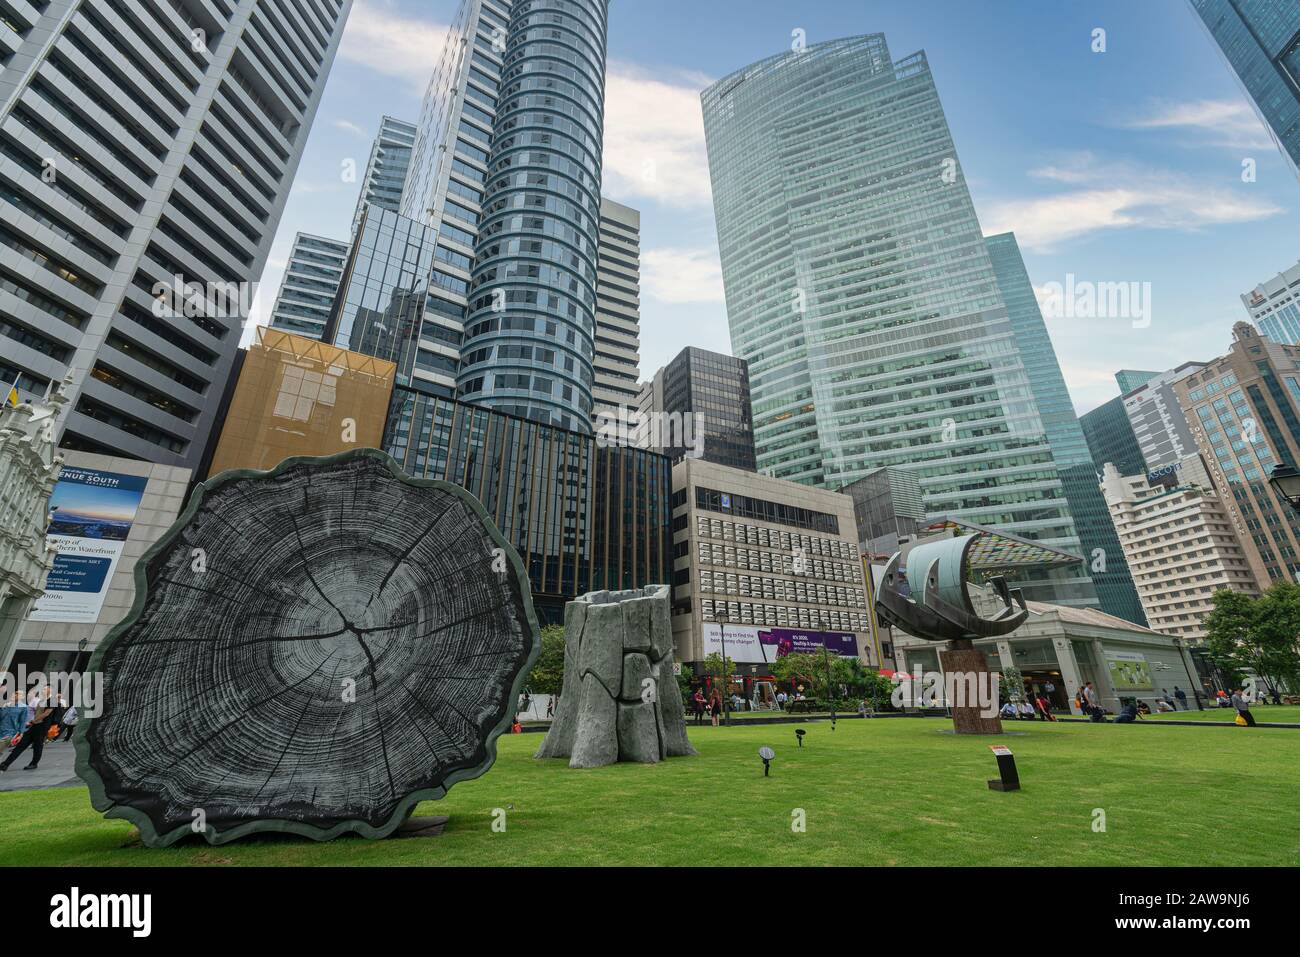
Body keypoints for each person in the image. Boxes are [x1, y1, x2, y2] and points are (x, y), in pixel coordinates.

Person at [0, 689, 58, 772]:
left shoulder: (52, 701)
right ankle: (5, 764)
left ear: (50, 690)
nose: (43, 690)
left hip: (42, 726)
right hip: (34, 725)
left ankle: (34, 763)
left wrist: (34, 721)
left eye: (45, 689)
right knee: (21, 745)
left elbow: (47, 713)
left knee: (37, 745)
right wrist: (32, 721)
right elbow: (36, 712)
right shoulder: (41, 700)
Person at [0, 691, 29, 756]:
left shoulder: (24, 707)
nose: (15, 695)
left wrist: (21, 734)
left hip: (10, 733)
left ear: (23, 697)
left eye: (18, 694)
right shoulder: (5, 705)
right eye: (15, 693)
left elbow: (23, 721)